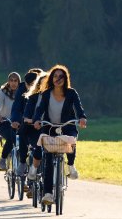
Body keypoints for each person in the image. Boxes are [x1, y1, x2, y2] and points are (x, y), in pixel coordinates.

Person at [30, 65, 87, 205]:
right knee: (48, 159)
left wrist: (82, 118)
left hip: (67, 126)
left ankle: (71, 166)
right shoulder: (46, 94)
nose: (58, 79)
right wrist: (37, 120)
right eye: (55, 76)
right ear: (51, 78)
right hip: (49, 127)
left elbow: (79, 108)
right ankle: (48, 194)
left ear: (65, 79)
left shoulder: (71, 93)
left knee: (71, 141)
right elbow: (39, 110)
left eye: (61, 76)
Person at [10, 68, 43, 175]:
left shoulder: (45, 90)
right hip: (25, 120)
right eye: (29, 85)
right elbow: (16, 107)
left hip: (42, 122)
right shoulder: (22, 89)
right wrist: (15, 120)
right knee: (21, 133)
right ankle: (23, 161)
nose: (31, 88)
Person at [0, 72, 21, 170]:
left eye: (16, 81)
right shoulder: (3, 92)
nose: (13, 83)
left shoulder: (22, 93)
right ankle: (3, 158)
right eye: (11, 81)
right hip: (5, 122)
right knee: (11, 138)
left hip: (19, 122)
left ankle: (23, 161)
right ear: (8, 82)